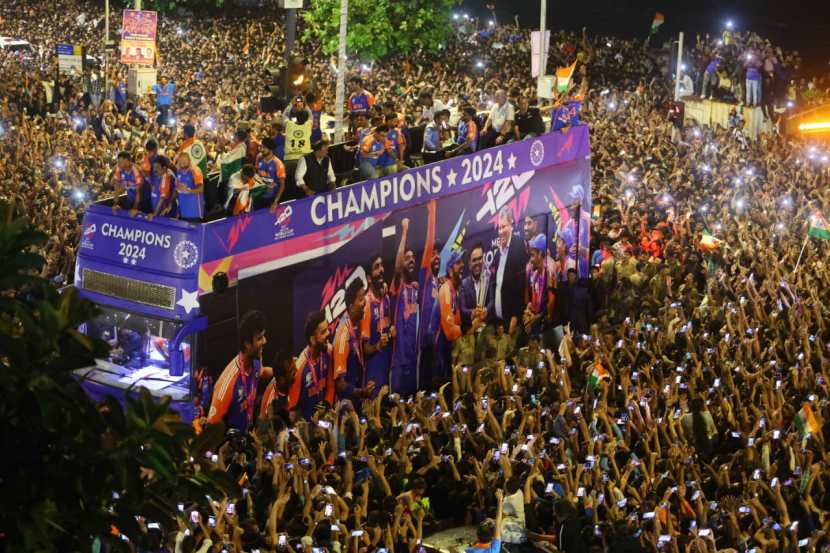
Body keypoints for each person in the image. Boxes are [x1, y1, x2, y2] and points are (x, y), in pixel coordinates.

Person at [206, 311, 272, 433]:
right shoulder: (228, 383)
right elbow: (210, 430)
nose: (265, 341)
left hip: (247, 436)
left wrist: (282, 368)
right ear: (247, 344)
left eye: (264, 336)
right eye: (259, 338)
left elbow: (262, 373)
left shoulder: (256, 361)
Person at [333, 279, 376, 403]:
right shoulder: (343, 335)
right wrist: (362, 392)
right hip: (346, 405)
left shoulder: (358, 321)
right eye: (361, 299)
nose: (365, 303)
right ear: (351, 307)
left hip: (357, 397)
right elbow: (340, 384)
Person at [287, 311, 335, 421]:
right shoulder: (299, 368)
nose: (328, 333)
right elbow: (292, 409)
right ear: (313, 340)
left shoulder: (328, 352)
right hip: (307, 428)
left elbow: (331, 386)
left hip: (324, 420)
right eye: (323, 332)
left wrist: (326, 405)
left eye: (327, 329)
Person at [492, 207, 528, 336]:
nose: (501, 231)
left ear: (511, 224)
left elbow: (520, 285)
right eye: (499, 228)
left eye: (504, 227)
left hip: (512, 321)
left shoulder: (518, 245)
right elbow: (495, 285)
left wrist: (515, 316)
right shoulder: (498, 252)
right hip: (499, 321)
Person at [362, 255, 392, 394]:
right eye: (376, 267)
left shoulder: (386, 298)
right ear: (369, 278)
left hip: (388, 368)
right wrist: (378, 345)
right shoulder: (367, 303)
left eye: (382, 266)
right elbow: (365, 350)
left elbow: (389, 325)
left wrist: (392, 331)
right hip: (373, 374)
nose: (381, 270)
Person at [435, 248, 465, 381]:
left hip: (451, 355)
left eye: (462, 262)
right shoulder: (445, 290)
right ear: (450, 270)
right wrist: (469, 328)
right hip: (442, 360)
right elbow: (449, 333)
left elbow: (457, 321)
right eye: (458, 262)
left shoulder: (455, 291)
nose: (463, 265)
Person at [523, 233, 555, 337]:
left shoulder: (550, 272)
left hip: (547, 327)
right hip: (536, 323)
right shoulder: (535, 273)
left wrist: (536, 318)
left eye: (532, 255)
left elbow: (552, 304)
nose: (530, 260)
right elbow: (533, 300)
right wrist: (529, 311)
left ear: (541, 254)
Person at [460, 241, 493, 330]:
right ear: (469, 264)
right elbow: (462, 309)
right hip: (472, 331)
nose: (477, 262)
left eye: (480, 258)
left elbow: (492, 301)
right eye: (474, 260)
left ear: (484, 258)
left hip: (489, 329)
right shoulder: (463, 284)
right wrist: (474, 312)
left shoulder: (489, 278)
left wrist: (486, 310)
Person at [466, 489, 503, 553]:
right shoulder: (494, 550)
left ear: (477, 536)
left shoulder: (470, 550)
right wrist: (500, 500)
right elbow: (498, 524)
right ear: (492, 537)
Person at [255, 137, 286, 210]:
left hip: (270, 199)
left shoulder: (278, 164)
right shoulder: (259, 157)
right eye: (260, 147)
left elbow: (282, 185)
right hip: (257, 196)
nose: (261, 149)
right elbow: (256, 173)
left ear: (270, 149)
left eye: (264, 147)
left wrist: (275, 201)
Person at [111, 151, 144, 216]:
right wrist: (115, 204)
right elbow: (115, 187)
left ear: (126, 160)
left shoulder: (136, 170)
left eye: (120, 162)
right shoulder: (119, 169)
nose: (118, 164)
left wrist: (135, 208)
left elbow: (139, 192)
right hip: (130, 199)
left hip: (141, 202)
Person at [174, 151, 205, 221]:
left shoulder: (195, 170)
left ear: (189, 160)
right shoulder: (178, 171)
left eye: (184, 160)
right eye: (180, 160)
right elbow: (177, 188)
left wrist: (189, 191)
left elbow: (201, 188)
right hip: (183, 211)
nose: (182, 161)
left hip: (194, 212)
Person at [147, 155, 176, 221]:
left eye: (157, 167)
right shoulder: (157, 175)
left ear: (164, 168)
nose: (154, 170)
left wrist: (154, 214)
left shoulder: (166, 178)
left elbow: (162, 198)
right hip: (157, 211)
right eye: (154, 167)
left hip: (164, 214)